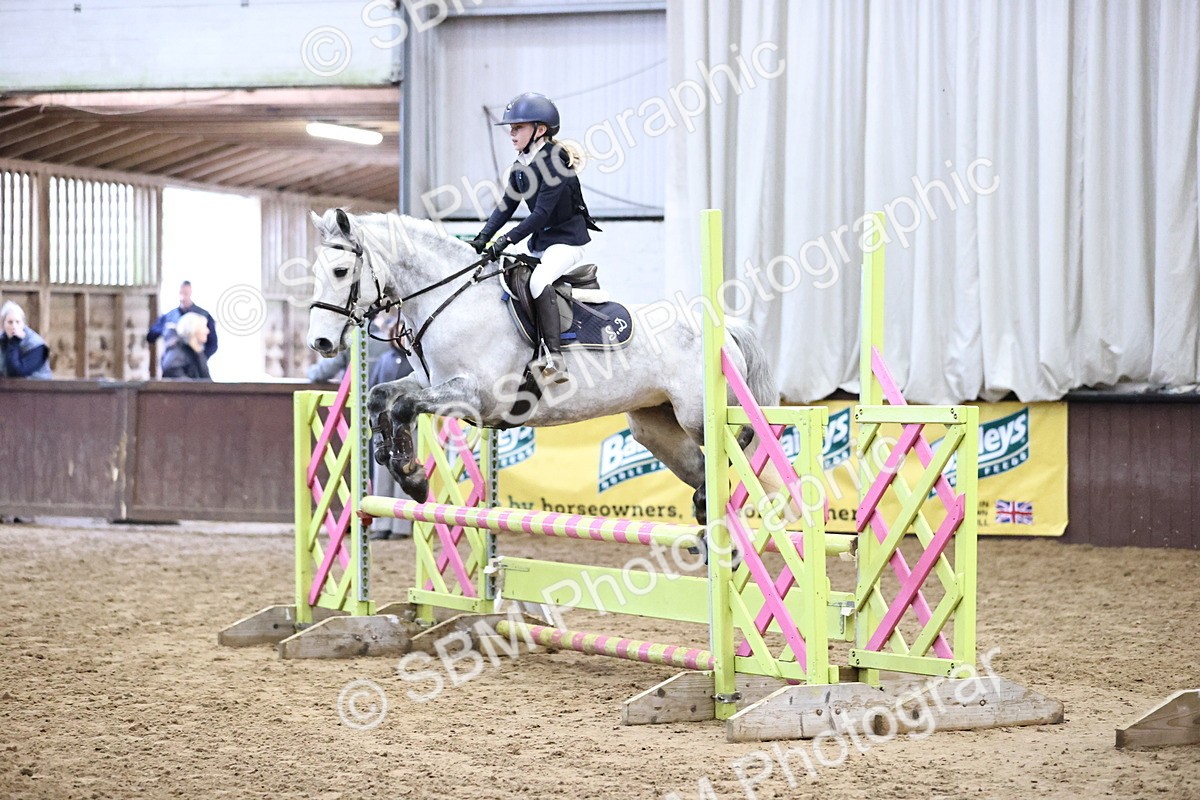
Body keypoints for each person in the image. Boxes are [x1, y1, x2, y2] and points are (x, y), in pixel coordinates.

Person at [470, 91, 602, 386]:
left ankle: (554, 358)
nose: (511, 134)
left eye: (518, 128)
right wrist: (482, 238)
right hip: (542, 244)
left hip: (568, 242)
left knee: (539, 281)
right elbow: (506, 206)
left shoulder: (555, 163)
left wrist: (505, 240)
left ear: (540, 130)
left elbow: (541, 214)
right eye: (511, 128)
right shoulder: (521, 165)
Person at [367, 327, 416, 541]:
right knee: (382, 474)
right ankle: (381, 524)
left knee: (404, 472)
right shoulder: (384, 360)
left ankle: (401, 526)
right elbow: (373, 388)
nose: (401, 338)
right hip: (385, 424)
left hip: (408, 425)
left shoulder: (415, 361)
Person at [148, 281, 218, 368]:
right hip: (174, 362)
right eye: (180, 293)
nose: (182, 297)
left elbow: (213, 344)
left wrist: (200, 359)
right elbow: (151, 336)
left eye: (186, 293)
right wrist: (167, 330)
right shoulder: (169, 317)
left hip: (196, 364)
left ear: (191, 293)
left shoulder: (204, 315)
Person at [0, 300, 52, 379]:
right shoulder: (2, 340)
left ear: (23, 324)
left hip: (37, 385)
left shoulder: (36, 345)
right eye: (10, 322)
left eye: (18, 322)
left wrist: (14, 342)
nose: (14, 326)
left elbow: (17, 372)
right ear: (3, 325)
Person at [160, 312, 212, 380]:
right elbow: (180, 382)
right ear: (193, 329)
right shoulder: (176, 353)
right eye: (204, 327)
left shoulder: (197, 352)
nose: (207, 331)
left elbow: (207, 380)